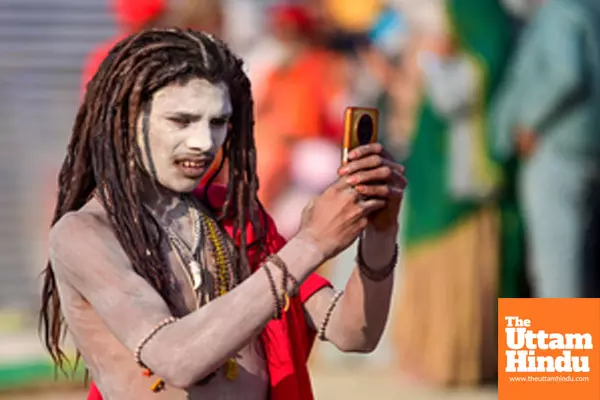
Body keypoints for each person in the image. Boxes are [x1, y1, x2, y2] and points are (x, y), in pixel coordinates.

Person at [39, 28, 406, 400]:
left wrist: (380, 232)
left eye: (217, 123)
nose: (203, 143)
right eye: (181, 121)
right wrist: (311, 244)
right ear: (124, 120)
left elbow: (354, 333)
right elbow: (176, 359)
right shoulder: (85, 233)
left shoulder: (233, 219)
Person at [393, 0, 521, 386]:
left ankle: (557, 386)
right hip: (454, 169)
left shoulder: (562, 12)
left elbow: (558, 75)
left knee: (559, 272)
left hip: (493, 170)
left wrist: (437, 62)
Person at [492, 0, 600, 297]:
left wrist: (526, 123)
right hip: (582, 150)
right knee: (580, 273)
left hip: (556, 152)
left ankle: (557, 347)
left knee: (555, 274)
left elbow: (566, 73)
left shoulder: (560, 10)